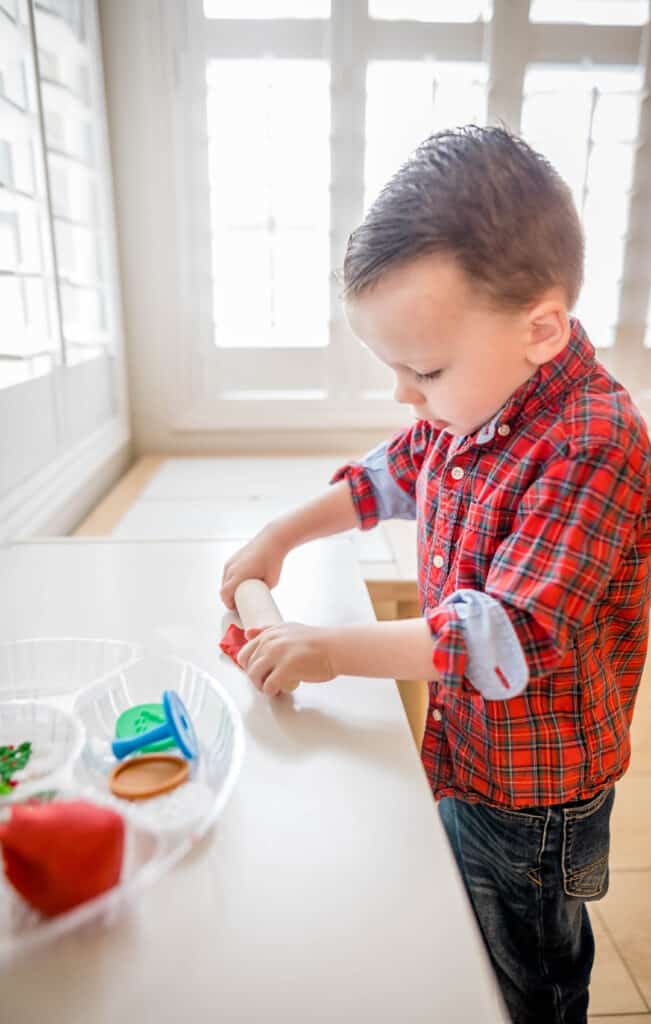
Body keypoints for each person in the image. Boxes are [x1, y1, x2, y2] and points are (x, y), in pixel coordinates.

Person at [219, 126, 651, 1023]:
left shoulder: (594, 443)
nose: (404, 397)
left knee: (532, 970)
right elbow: (390, 473)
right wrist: (279, 535)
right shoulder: (475, 401)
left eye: (421, 370)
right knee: (465, 924)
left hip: (540, 796)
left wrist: (329, 648)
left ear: (539, 328)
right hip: (468, 752)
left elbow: (501, 635)